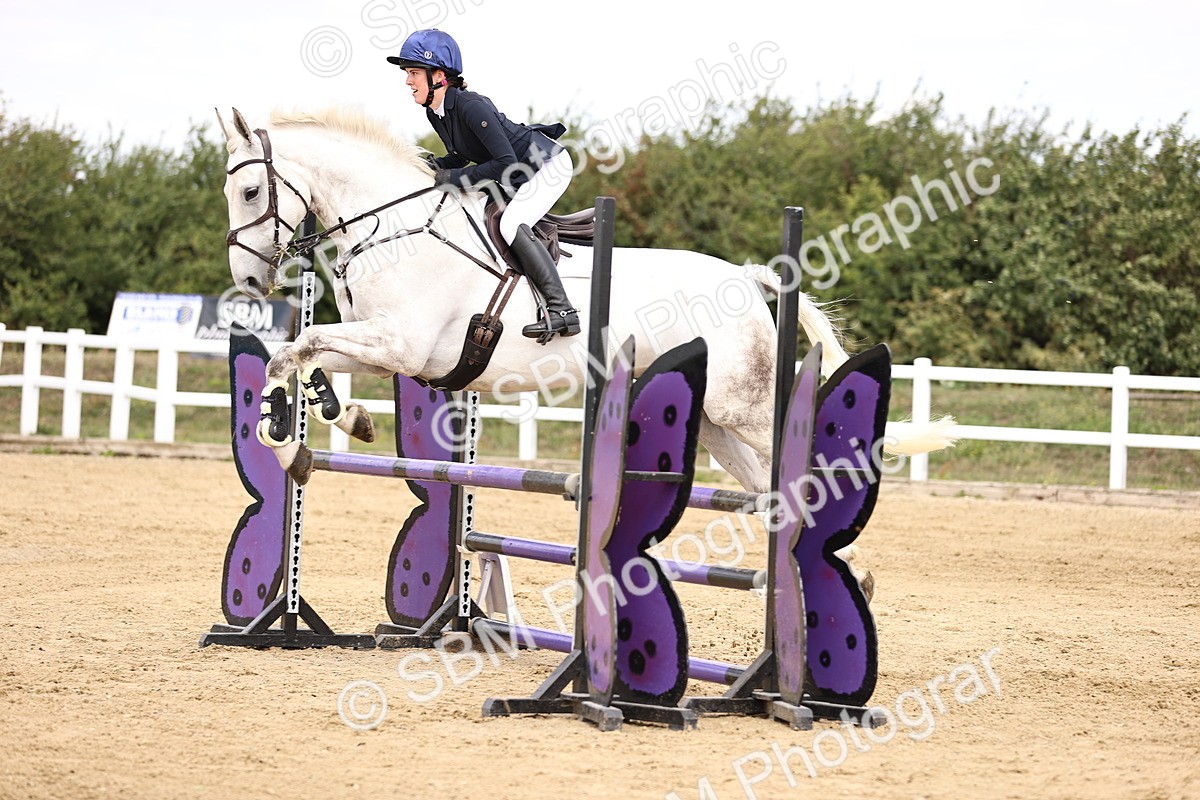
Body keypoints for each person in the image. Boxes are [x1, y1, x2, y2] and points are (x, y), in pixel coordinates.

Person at [387, 29, 580, 340]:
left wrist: (452, 179)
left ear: (439, 76)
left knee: (511, 224)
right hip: (517, 172)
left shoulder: (470, 105)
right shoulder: (436, 112)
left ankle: (563, 310)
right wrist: (425, 167)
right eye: (407, 73)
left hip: (546, 165)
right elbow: (461, 155)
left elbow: (504, 162)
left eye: (413, 73)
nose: (408, 81)